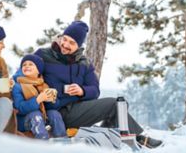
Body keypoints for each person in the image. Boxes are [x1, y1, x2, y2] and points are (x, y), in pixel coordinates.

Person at [34, 21, 163, 148]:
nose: (65, 44)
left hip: (76, 111)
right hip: (53, 112)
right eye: (65, 39)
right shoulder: (43, 55)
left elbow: (95, 90)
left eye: (72, 43)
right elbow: (24, 75)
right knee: (116, 106)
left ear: (79, 46)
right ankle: (137, 138)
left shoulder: (84, 64)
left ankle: (113, 135)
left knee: (119, 105)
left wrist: (82, 91)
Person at [12, 54, 67, 139]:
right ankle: (42, 141)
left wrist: (51, 99)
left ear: (38, 70)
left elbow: (51, 107)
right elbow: (19, 108)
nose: (27, 66)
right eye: (24, 65)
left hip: (43, 118)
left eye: (31, 64)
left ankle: (61, 139)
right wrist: (38, 100)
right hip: (24, 120)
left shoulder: (43, 85)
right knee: (35, 114)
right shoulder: (18, 86)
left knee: (54, 113)